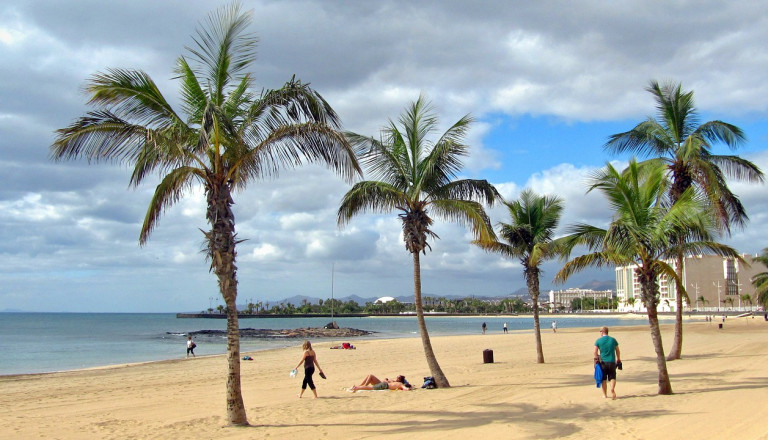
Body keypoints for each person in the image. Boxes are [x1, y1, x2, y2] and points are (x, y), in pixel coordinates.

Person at [594, 326, 621, 400]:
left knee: (603, 379)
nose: (600, 333)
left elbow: (595, 352)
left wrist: (596, 359)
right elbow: (617, 350)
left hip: (603, 363)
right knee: (612, 377)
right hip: (612, 362)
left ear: (602, 332)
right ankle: (612, 389)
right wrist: (618, 359)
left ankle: (605, 395)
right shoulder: (613, 340)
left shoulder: (598, 341)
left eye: (600, 331)